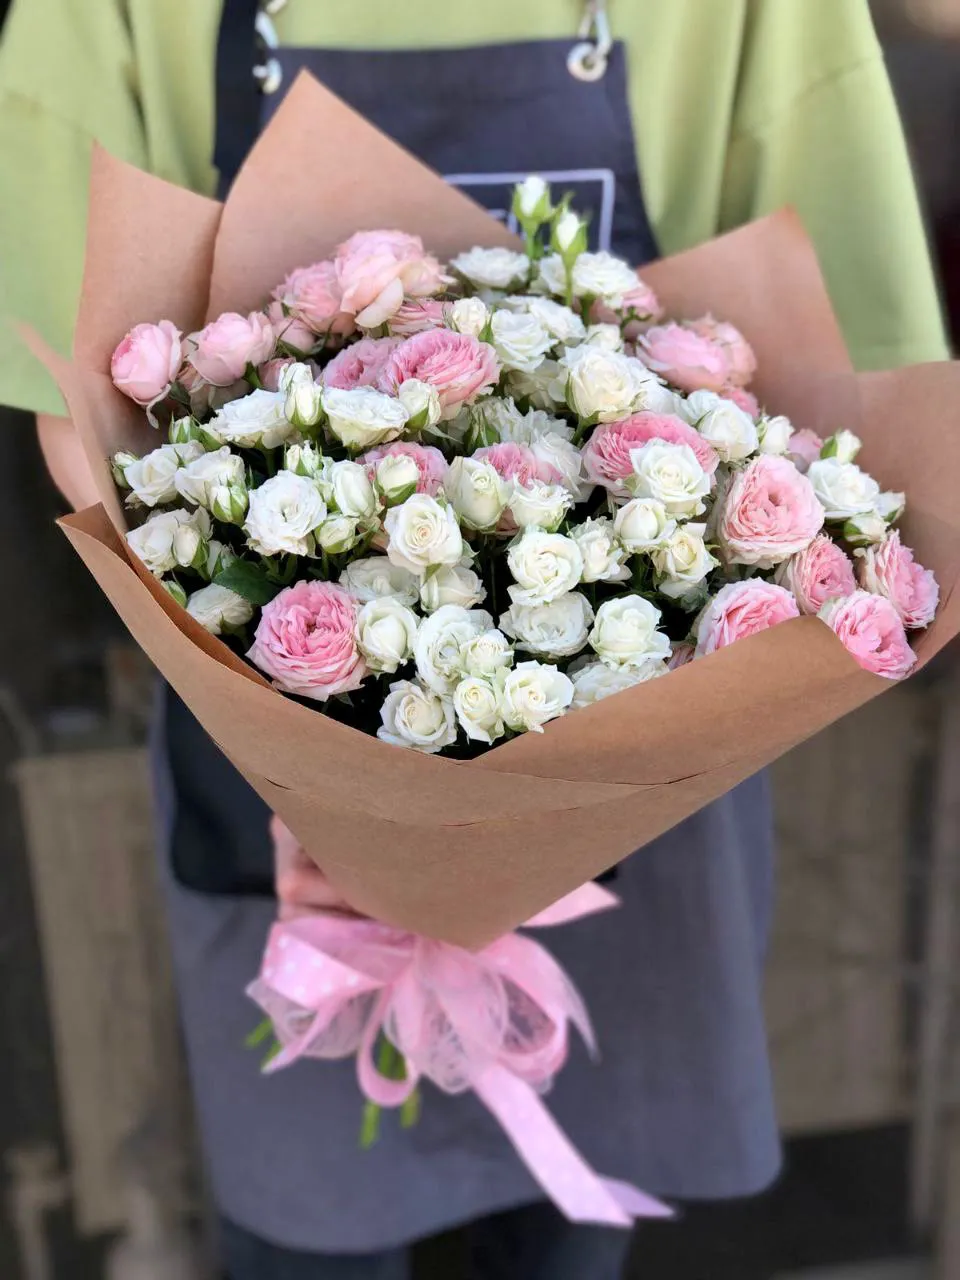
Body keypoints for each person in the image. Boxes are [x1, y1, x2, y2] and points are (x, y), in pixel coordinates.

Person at [0, 1, 948, 1276]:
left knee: (571, 1231)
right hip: (276, 801)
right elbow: (72, 390)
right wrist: (329, 789)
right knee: (314, 1227)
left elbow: (841, 362)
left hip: (650, 789)